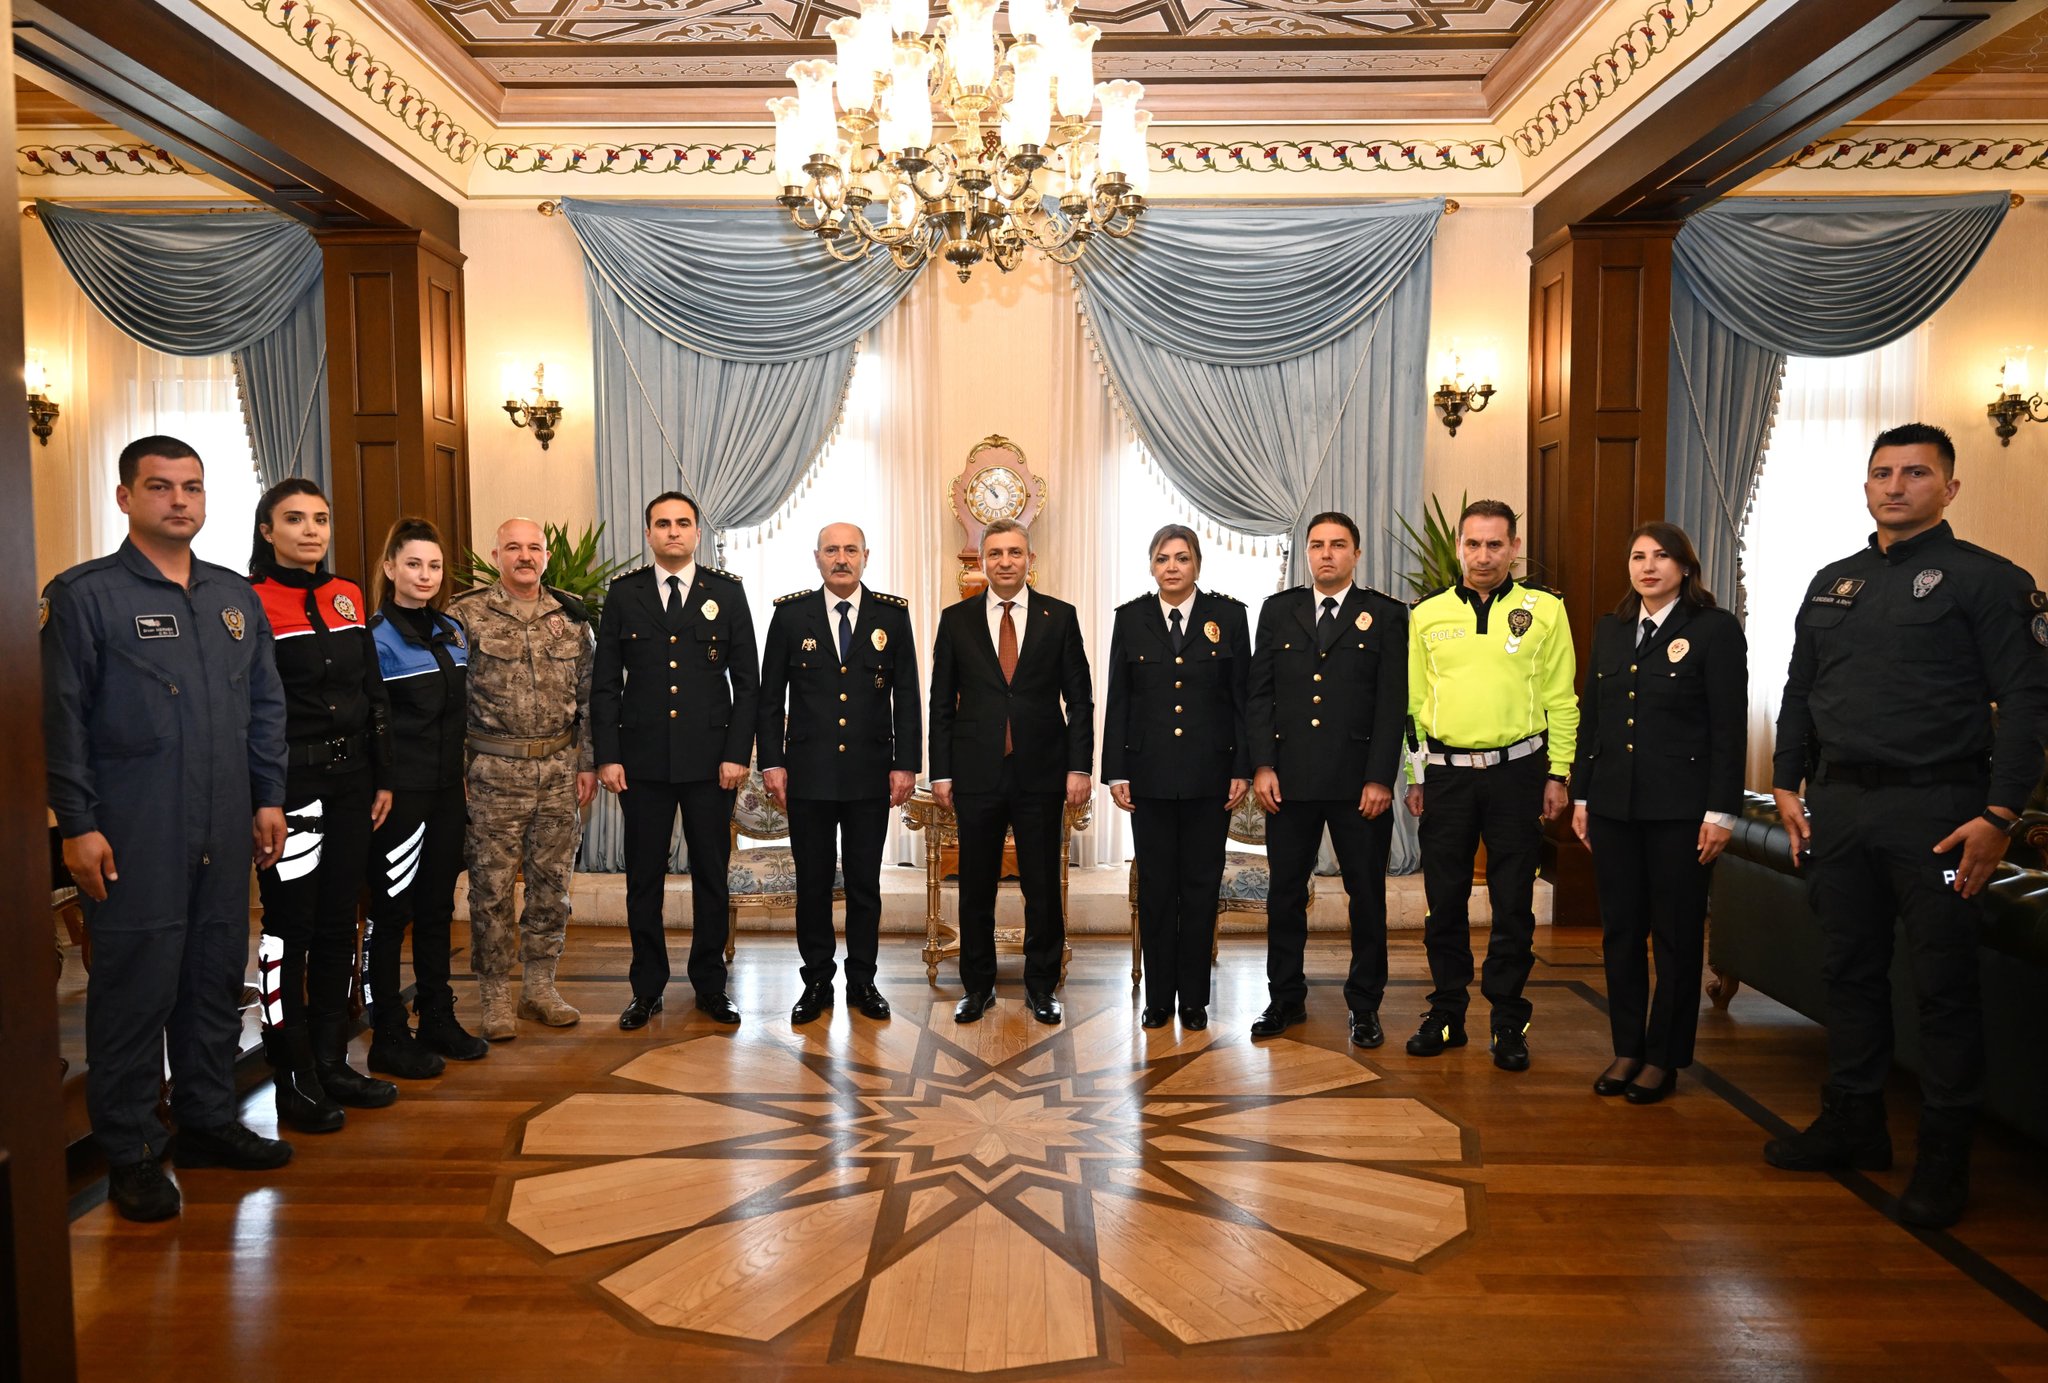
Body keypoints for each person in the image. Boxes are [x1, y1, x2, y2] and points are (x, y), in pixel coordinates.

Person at [1765, 422, 2048, 1229]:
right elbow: (1798, 690)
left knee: (1943, 990)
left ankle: (1943, 1161)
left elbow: (2029, 704)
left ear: (1950, 488)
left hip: (1940, 811)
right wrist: (1786, 781)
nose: (1896, 485)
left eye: (1916, 473)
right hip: (1842, 808)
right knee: (1849, 972)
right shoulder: (1833, 582)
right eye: (1882, 472)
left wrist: (2001, 814)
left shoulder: (1991, 581)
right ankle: (1855, 1124)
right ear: (1865, 487)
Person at [41, 435, 292, 1221]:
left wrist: (267, 797)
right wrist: (76, 823)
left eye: (190, 486)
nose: (178, 500)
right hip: (134, 828)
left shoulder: (232, 595)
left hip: (225, 823)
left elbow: (263, 706)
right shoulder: (85, 597)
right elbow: (62, 720)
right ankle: (134, 1153)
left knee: (215, 977)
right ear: (125, 498)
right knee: (135, 993)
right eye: (159, 487)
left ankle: (209, 1120)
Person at [1570, 522, 1745, 1104]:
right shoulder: (1612, 630)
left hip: (1681, 811)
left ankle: (1664, 1057)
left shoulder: (1714, 631)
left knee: (1674, 936)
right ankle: (1627, 1048)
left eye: (1662, 557)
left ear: (1685, 566)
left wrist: (1721, 812)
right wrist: (1584, 797)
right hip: (1615, 807)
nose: (1648, 567)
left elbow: (1728, 729)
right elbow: (1592, 718)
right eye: (1638, 556)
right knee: (1620, 932)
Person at [1404, 498, 1578, 1072]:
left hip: (1518, 775)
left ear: (1514, 548)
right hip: (1447, 779)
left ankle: (1508, 1020)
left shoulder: (1545, 611)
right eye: (1473, 544)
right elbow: (1411, 707)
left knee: (1513, 904)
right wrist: (1415, 774)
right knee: (1444, 902)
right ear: (1458, 546)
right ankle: (1447, 1012)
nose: (1483, 556)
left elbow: (1562, 700)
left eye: (1495, 544)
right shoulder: (1426, 614)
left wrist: (1559, 773)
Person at [248, 479, 398, 1129]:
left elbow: (373, 692)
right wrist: (264, 796)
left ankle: (334, 1059)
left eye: (320, 518)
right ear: (267, 530)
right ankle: (293, 1073)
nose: (311, 529)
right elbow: (249, 709)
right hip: (291, 789)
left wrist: (383, 776)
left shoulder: (349, 595)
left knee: (342, 924)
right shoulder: (249, 602)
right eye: (294, 519)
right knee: (289, 932)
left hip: (352, 786)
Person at [591, 493, 756, 1029]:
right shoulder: (624, 594)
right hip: (640, 763)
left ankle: (710, 984)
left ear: (697, 533)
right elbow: (605, 686)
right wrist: (608, 757)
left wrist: (736, 754)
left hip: (712, 765)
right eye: (662, 524)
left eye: (683, 524)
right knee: (644, 878)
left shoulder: (726, 593)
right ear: (648, 534)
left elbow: (748, 685)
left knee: (712, 874)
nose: (673, 533)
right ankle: (647, 988)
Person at [1243, 513, 1408, 1044]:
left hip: (1358, 784)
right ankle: (1285, 999)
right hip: (1288, 782)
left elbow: (1392, 704)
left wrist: (1381, 777)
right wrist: (1263, 764)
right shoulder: (1278, 610)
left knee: (1366, 896)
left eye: (1338, 545)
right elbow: (1260, 694)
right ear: (1307, 553)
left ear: (1356, 554)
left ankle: (1365, 1005)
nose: (1327, 555)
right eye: (1317, 545)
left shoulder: (1383, 614)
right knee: (1285, 896)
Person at [928, 518, 1094, 1025]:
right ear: (982, 562)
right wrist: (940, 772)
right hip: (976, 772)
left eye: (1015, 553)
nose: (1005, 561)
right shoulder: (955, 620)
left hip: (1042, 774)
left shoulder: (1059, 617)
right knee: (975, 887)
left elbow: (1080, 701)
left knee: (1041, 888)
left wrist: (1079, 768)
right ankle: (976, 989)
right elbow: (940, 703)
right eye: (995, 553)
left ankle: (1041, 986)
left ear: (1029, 559)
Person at [757, 522, 920, 1024]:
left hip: (871, 775)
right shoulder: (790, 616)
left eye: (851, 550)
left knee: (866, 884)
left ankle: (864, 982)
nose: (841, 558)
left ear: (866, 556)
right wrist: (772, 762)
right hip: (808, 774)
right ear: (817, 557)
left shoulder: (891, 616)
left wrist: (906, 764)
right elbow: (769, 698)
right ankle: (817, 982)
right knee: (813, 884)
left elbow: (908, 697)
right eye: (832, 550)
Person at [451, 518, 598, 1039]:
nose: (525, 555)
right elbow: (448, 704)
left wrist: (587, 764)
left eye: (533, 547)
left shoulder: (572, 620)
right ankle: (494, 994)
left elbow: (590, 701)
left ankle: (539, 987)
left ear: (546, 557)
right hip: (493, 771)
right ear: (496, 554)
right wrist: (457, 772)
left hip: (559, 771)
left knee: (552, 886)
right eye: (513, 546)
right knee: (490, 888)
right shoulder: (464, 616)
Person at [1104, 524, 1251, 1032]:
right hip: (1148, 778)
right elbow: (1118, 698)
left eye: (1182, 558)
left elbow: (1242, 699)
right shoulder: (1131, 618)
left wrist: (1241, 768)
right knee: (1158, 890)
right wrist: (1115, 771)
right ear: (1151, 565)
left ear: (1196, 566)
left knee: (1200, 887)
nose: (1172, 566)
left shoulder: (1228, 617)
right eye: (1163, 557)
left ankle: (1194, 1000)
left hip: (1211, 777)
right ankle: (1159, 998)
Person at [362, 517, 489, 1072]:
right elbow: (372, 724)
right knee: (392, 914)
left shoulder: (451, 633)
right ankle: (388, 1031)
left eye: (433, 566)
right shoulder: (373, 637)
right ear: (390, 568)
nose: (425, 575)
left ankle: (437, 1017)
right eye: (413, 563)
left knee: (438, 909)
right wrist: (380, 784)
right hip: (398, 798)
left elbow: (457, 720)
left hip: (444, 794)